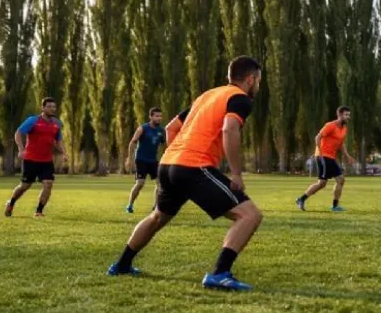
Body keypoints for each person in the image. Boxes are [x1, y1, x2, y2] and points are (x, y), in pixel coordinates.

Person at [106, 56, 265, 292]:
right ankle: (220, 274)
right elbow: (229, 129)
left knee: (158, 217)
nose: (258, 86)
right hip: (193, 166)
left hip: (168, 164)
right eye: (259, 81)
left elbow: (171, 128)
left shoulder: (207, 96)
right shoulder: (239, 98)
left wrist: (178, 156)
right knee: (249, 216)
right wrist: (236, 174)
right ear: (250, 79)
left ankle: (121, 265)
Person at [4, 98, 65, 218]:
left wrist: (64, 153)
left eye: (54, 107)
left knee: (48, 184)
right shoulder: (33, 120)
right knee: (25, 186)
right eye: (49, 106)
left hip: (47, 161)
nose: (52, 109)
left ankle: (39, 211)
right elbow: (18, 133)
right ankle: (11, 203)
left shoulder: (57, 124)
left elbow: (58, 141)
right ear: (43, 108)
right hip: (31, 159)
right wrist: (21, 149)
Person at [296, 106, 356, 212]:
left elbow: (341, 144)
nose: (348, 117)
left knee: (323, 183)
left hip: (330, 157)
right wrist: (320, 152)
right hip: (323, 156)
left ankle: (302, 199)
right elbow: (318, 137)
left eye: (349, 115)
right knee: (336, 180)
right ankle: (333, 206)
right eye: (346, 115)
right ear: (339, 114)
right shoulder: (330, 125)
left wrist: (347, 156)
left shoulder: (344, 129)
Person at [124, 108, 166, 214]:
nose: (159, 118)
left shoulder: (161, 131)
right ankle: (130, 205)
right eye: (156, 116)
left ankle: (155, 207)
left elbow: (163, 145)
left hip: (153, 161)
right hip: (141, 159)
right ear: (150, 117)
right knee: (140, 184)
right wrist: (130, 158)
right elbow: (132, 143)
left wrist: (164, 158)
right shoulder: (142, 128)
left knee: (160, 184)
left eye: (160, 116)